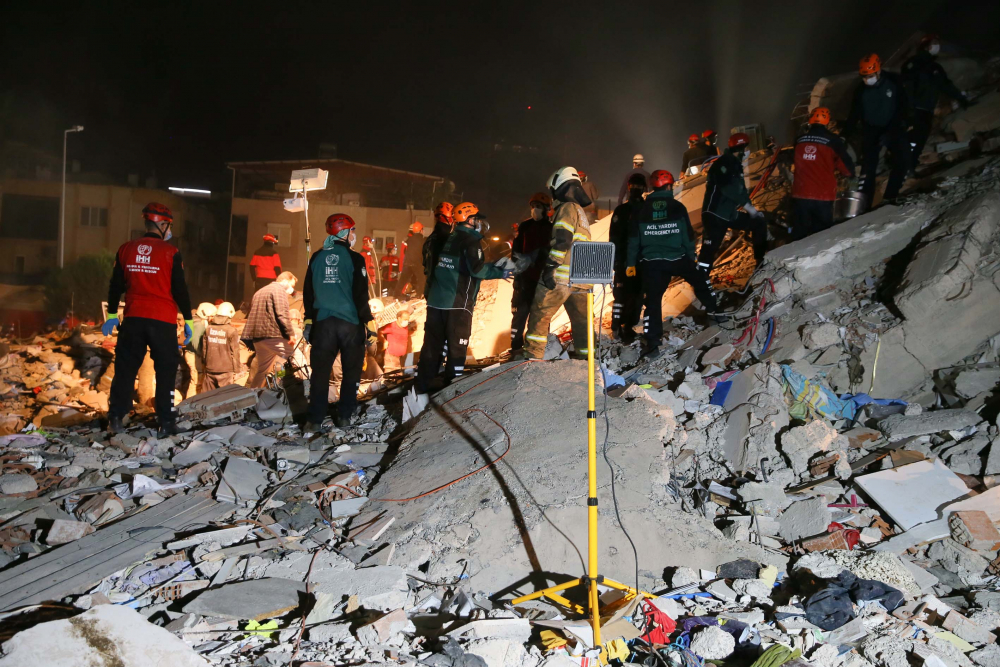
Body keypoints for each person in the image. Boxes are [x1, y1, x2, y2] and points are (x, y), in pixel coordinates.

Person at [102, 202, 193, 436]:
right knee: (165, 370)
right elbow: (180, 290)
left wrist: (112, 314)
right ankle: (167, 421)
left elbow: (115, 286)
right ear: (162, 224)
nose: (169, 229)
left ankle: (116, 418)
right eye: (168, 225)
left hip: (133, 318)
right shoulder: (171, 252)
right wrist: (189, 319)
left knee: (125, 370)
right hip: (162, 320)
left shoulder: (126, 249)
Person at [416, 203, 510, 400]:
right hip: (456, 303)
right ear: (468, 220)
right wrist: (500, 271)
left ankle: (424, 384)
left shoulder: (450, 238)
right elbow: (476, 270)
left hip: (436, 301)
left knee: (432, 345)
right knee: (457, 346)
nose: (479, 222)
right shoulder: (470, 241)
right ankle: (453, 392)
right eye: (476, 218)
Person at [627, 170, 720, 359]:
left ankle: (653, 344)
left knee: (652, 301)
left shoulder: (641, 210)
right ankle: (716, 313)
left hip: (652, 263)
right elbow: (687, 235)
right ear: (669, 186)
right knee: (700, 280)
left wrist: (630, 263)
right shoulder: (677, 207)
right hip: (677, 258)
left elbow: (633, 240)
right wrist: (691, 255)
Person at [301, 213, 374, 432]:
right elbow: (361, 294)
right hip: (349, 323)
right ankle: (344, 416)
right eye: (352, 230)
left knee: (320, 374)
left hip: (323, 324)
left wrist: (308, 320)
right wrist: (368, 321)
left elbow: (308, 292)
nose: (354, 234)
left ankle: (314, 420)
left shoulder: (316, 257)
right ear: (344, 232)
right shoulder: (355, 258)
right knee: (351, 372)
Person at [523, 167, 593, 360]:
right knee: (582, 323)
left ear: (560, 187)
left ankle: (531, 359)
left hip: (561, 275)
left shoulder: (567, 208)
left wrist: (551, 266)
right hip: (582, 278)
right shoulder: (581, 212)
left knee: (540, 315)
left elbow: (563, 238)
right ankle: (587, 363)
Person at [844, 53, 911, 209]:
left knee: (902, 161)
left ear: (878, 70)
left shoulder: (894, 81)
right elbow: (854, 114)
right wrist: (845, 135)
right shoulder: (861, 90)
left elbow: (903, 107)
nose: (868, 79)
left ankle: (890, 197)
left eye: (870, 75)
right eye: (865, 76)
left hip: (893, 127)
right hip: (871, 130)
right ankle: (864, 205)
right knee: (868, 168)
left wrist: (894, 129)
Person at [697, 133, 767, 273]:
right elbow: (729, 189)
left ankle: (760, 262)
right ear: (741, 149)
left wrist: (751, 209)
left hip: (728, 214)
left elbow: (740, 191)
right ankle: (700, 282)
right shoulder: (725, 163)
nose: (748, 151)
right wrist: (749, 209)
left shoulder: (734, 164)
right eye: (746, 148)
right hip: (715, 215)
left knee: (758, 223)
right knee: (709, 251)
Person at [902, 34, 971, 171]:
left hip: (915, 109)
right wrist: (961, 99)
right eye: (934, 43)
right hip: (920, 110)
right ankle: (906, 167)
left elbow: (944, 85)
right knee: (917, 139)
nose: (937, 47)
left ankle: (907, 164)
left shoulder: (912, 64)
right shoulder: (930, 67)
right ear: (928, 47)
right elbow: (945, 85)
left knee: (914, 139)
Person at [791, 107, 855, 240]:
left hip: (800, 193)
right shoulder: (833, 141)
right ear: (828, 122)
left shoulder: (799, 140)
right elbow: (847, 169)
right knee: (821, 235)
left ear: (810, 119)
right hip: (823, 195)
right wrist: (851, 176)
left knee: (799, 232)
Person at [510, 192, 554, 353]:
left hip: (542, 280)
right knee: (519, 315)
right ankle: (515, 347)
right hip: (525, 279)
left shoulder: (551, 228)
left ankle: (538, 349)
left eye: (538, 207)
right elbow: (516, 252)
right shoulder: (525, 227)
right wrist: (517, 277)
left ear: (546, 209)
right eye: (533, 207)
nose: (534, 210)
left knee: (541, 317)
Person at [242, 271, 297, 388]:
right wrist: (291, 333)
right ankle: (281, 387)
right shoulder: (279, 290)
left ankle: (253, 398)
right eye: (292, 286)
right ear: (285, 281)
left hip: (259, 339)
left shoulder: (259, 292)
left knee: (262, 371)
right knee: (296, 360)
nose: (291, 290)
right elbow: (282, 314)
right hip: (273, 337)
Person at [609, 174, 645, 343]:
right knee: (621, 294)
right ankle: (616, 325)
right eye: (634, 186)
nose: (636, 190)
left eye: (639, 186)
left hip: (640, 261)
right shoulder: (621, 210)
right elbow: (614, 237)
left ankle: (628, 326)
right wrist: (615, 260)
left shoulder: (646, 209)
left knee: (636, 295)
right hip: (624, 260)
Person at [201, 301, 240, 390]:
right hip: (225, 371)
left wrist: (205, 364)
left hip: (210, 368)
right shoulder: (231, 330)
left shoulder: (208, 329)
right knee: (224, 398)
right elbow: (235, 352)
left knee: (207, 398)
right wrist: (236, 370)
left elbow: (204, 350)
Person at [183, 302, 216, 397]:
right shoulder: (199, 326)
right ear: (205, 314)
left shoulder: (194, 321)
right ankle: (190, 405)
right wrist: (203, 357)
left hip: (191, 353)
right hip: (194, 355)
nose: (212, 319)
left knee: (196, 380)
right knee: (196, 380)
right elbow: (196, 344)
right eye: (211, 316)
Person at [422, 201, 454, 295]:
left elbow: (425, 263)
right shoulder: (447, 238)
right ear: (449, 218)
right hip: (442, 288)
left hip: (430, 286)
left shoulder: (430, 238)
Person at [395, 222, 425, 298]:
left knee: (403, 280)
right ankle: (419, 294)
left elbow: (404, 251)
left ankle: (396, 295)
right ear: (421, 230)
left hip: (407, 263)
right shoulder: (423, 240)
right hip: (417, 263)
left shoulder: (408, 240)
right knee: (422, 279)